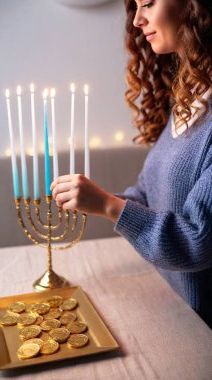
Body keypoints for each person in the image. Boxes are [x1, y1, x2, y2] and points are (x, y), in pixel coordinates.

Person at [50, 0, 212, 328]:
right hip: (174, 307)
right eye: (136, 6)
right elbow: (149, 195)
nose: (138, 19)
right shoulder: (193, 94)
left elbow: (198, 242)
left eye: (149, 3)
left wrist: (110, 206)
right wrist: (98, 199)